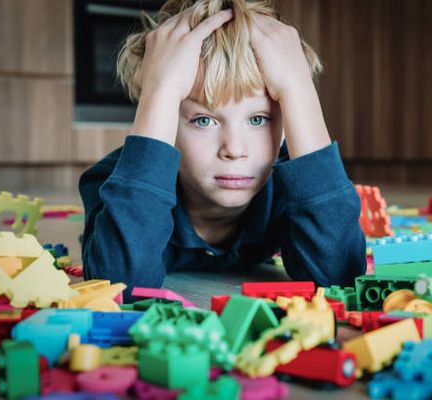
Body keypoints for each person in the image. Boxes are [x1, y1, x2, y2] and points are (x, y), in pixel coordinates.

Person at [79, 0, 366, 302]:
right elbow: (118, 285)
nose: (235, 150)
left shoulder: (292, 189)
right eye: (204, 120)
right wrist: (160, 88)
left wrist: (298, 88)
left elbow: (339, 277)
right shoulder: (115, 182)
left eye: (258, 119)